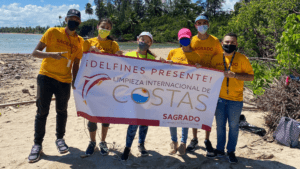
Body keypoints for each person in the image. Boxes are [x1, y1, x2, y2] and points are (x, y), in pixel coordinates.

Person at [28, 9, 84, 163]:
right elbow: (35, 52)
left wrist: (75, 82)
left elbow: (76, 63)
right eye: (71, 18)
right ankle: (37, 144)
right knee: (42, 112)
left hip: (64, 81)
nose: (73, 21)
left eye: (76, 19)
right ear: (65, 19)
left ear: (79, 22)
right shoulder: (52, 32)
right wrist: (52, 55)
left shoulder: (80, 42)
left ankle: (60, 139)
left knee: (62, 111)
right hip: (46, 77)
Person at [210, 33, 254, 163]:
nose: (229, 44)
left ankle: (231, 151)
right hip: (219, 99)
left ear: (236, 44)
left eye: (232, 42)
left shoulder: (242, 59)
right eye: (227, 42)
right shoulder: (216, 58)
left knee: (234, 127)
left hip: (236, 100)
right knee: (220, 126)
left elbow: (250, 77)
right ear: (222, 43)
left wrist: (235, 75)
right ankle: (219, 149)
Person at [83, 18, 122, 157]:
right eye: (103, 26)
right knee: (92, 115)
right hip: (92, 85)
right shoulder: (88, 42)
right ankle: (92, 142)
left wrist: (119, 57)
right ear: (98, 26)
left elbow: (118, 63)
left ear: (110, 30)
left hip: (108, 85)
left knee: (106, 116)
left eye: (108, 27)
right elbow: (80, 59)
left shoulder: (113, 44)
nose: (105, 29)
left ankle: (103, 141)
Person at [187, 14, 223, 157]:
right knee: (194, 110)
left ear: (208, 24)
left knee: (208, 111)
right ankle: (194, 138)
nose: (202, 25)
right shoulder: (192, 40)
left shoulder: (214, 41)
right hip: (195, 81)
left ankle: (207, 140)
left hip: (211, 81)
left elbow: (220, 59)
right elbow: (187, 57)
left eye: (204, 22)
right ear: (195, 25)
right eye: (199, 23)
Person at [120, 32, 157, 161]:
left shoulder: (153, 59)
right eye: (142, 40)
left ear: (150, 44)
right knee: (133, 123)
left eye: (147, 41)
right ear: (137, 40)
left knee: (144, 123)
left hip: (147, 95)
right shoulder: (129, 56)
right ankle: (127, 147)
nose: (144, 43)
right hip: (132, 95)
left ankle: (141, 145)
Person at [165, 28, 201, 156]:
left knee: (185, 118)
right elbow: (164, 69)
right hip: (173, 91)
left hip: (188, 92)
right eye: (182, 38)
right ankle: (173, 143)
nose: (185, 40)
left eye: (187, 38)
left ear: (190, 38)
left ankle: (183, 143)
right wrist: (167, 63)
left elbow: (202, 75)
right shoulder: (173, 52)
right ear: (178, 39)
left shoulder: (196, 55)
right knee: (172, 118)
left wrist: (199, 68)